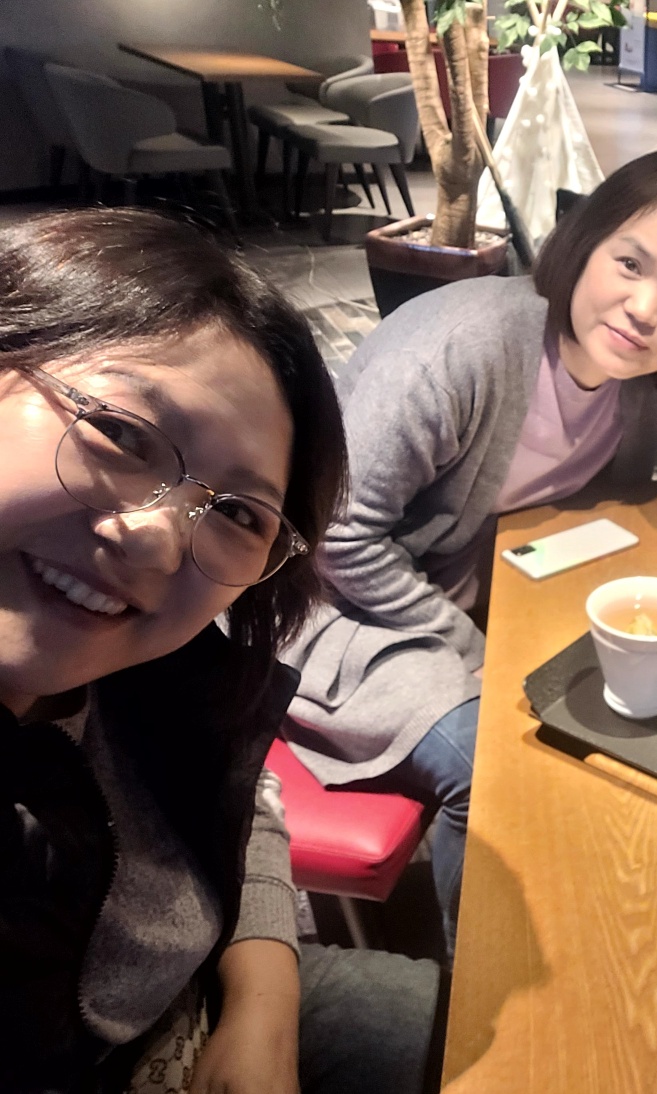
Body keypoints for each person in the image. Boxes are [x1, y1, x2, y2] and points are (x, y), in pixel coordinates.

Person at [281, 149, 657, 957]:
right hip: (334, 612)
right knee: (496, 761)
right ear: (582, 244)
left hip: (478, 588)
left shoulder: (642, 377)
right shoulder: (462, 350)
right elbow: (334, 533)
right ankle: (481, 982)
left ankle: (607, 926)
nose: (643, 309)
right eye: (630, 264)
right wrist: (477, 649)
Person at [0, 209, 443, 1094]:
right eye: (121, 432)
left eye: (238, 512)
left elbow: (242, 794)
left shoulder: (146, 660)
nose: (157, 541)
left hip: (199, 993)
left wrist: (263, 1002)